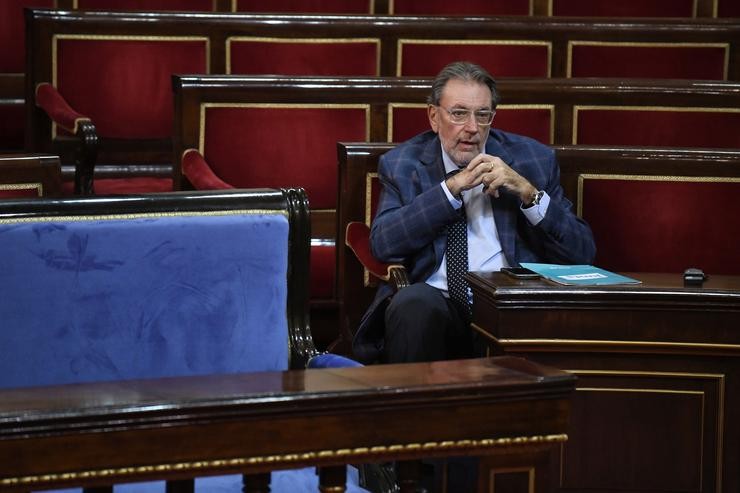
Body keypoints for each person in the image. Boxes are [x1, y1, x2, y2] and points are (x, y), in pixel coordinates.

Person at [353, 61, 596, 364]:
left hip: (508, 307)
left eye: (483, 115)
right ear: (434, 116)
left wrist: (529, 194)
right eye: (458, 113)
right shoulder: (403, 164)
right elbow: (384, 243)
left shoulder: (531, 159)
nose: (472, 128)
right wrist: (451, 189)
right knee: (412, 303)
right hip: (437, 307)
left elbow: (581, 252)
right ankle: (415, 411)